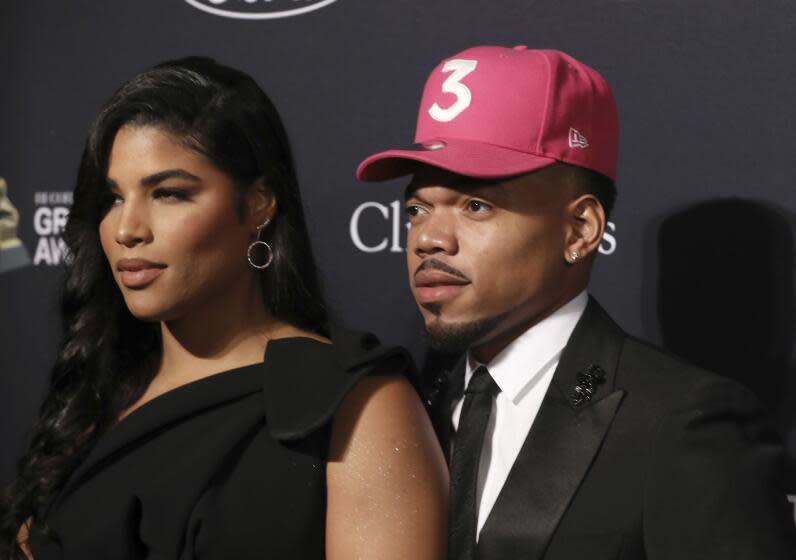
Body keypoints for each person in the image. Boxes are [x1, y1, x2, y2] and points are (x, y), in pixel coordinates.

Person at [357, 45, 796, 559]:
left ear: (581, 229)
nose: (429, 239)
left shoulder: (682, 423)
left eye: (476, 205)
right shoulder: (403, 406)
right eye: (416, 208)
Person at [0, 57, 447, 559]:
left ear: (258, 204)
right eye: (112, 198)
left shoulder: (352, 405)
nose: (128, 228)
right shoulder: (94, 404)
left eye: (168, 193)